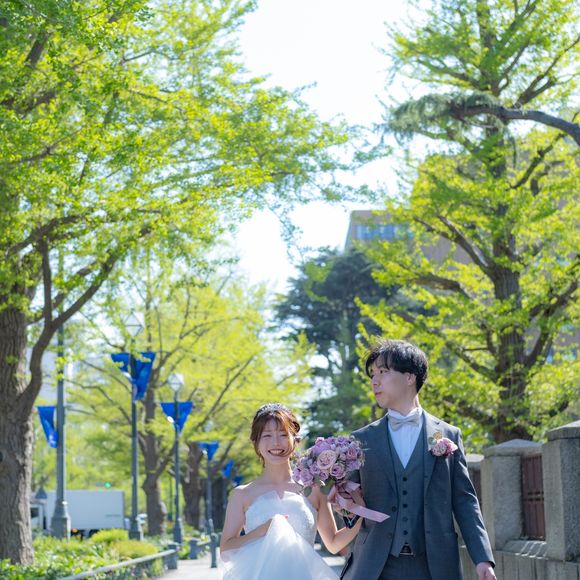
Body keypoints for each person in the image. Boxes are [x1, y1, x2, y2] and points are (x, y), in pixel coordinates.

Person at [340, 339, 496, 580]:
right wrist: (344, 504)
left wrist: (482, 558)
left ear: (410, 377)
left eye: (383, 372)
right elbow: (351, 508)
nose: (374, 381)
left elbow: (465, 501)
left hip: (435, 567)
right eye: (372, 374)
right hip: (375, 567)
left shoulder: (448, 435)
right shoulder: (361, 440)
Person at [220, 403, 363, 580]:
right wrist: (264, 530)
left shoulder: (314, 488)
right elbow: (226, 550)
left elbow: (333, 543)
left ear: (295, 440)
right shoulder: (242, 494)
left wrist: (360, 513)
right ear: (255, 443)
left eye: (282, 434)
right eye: (267, 435)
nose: (275, 443)